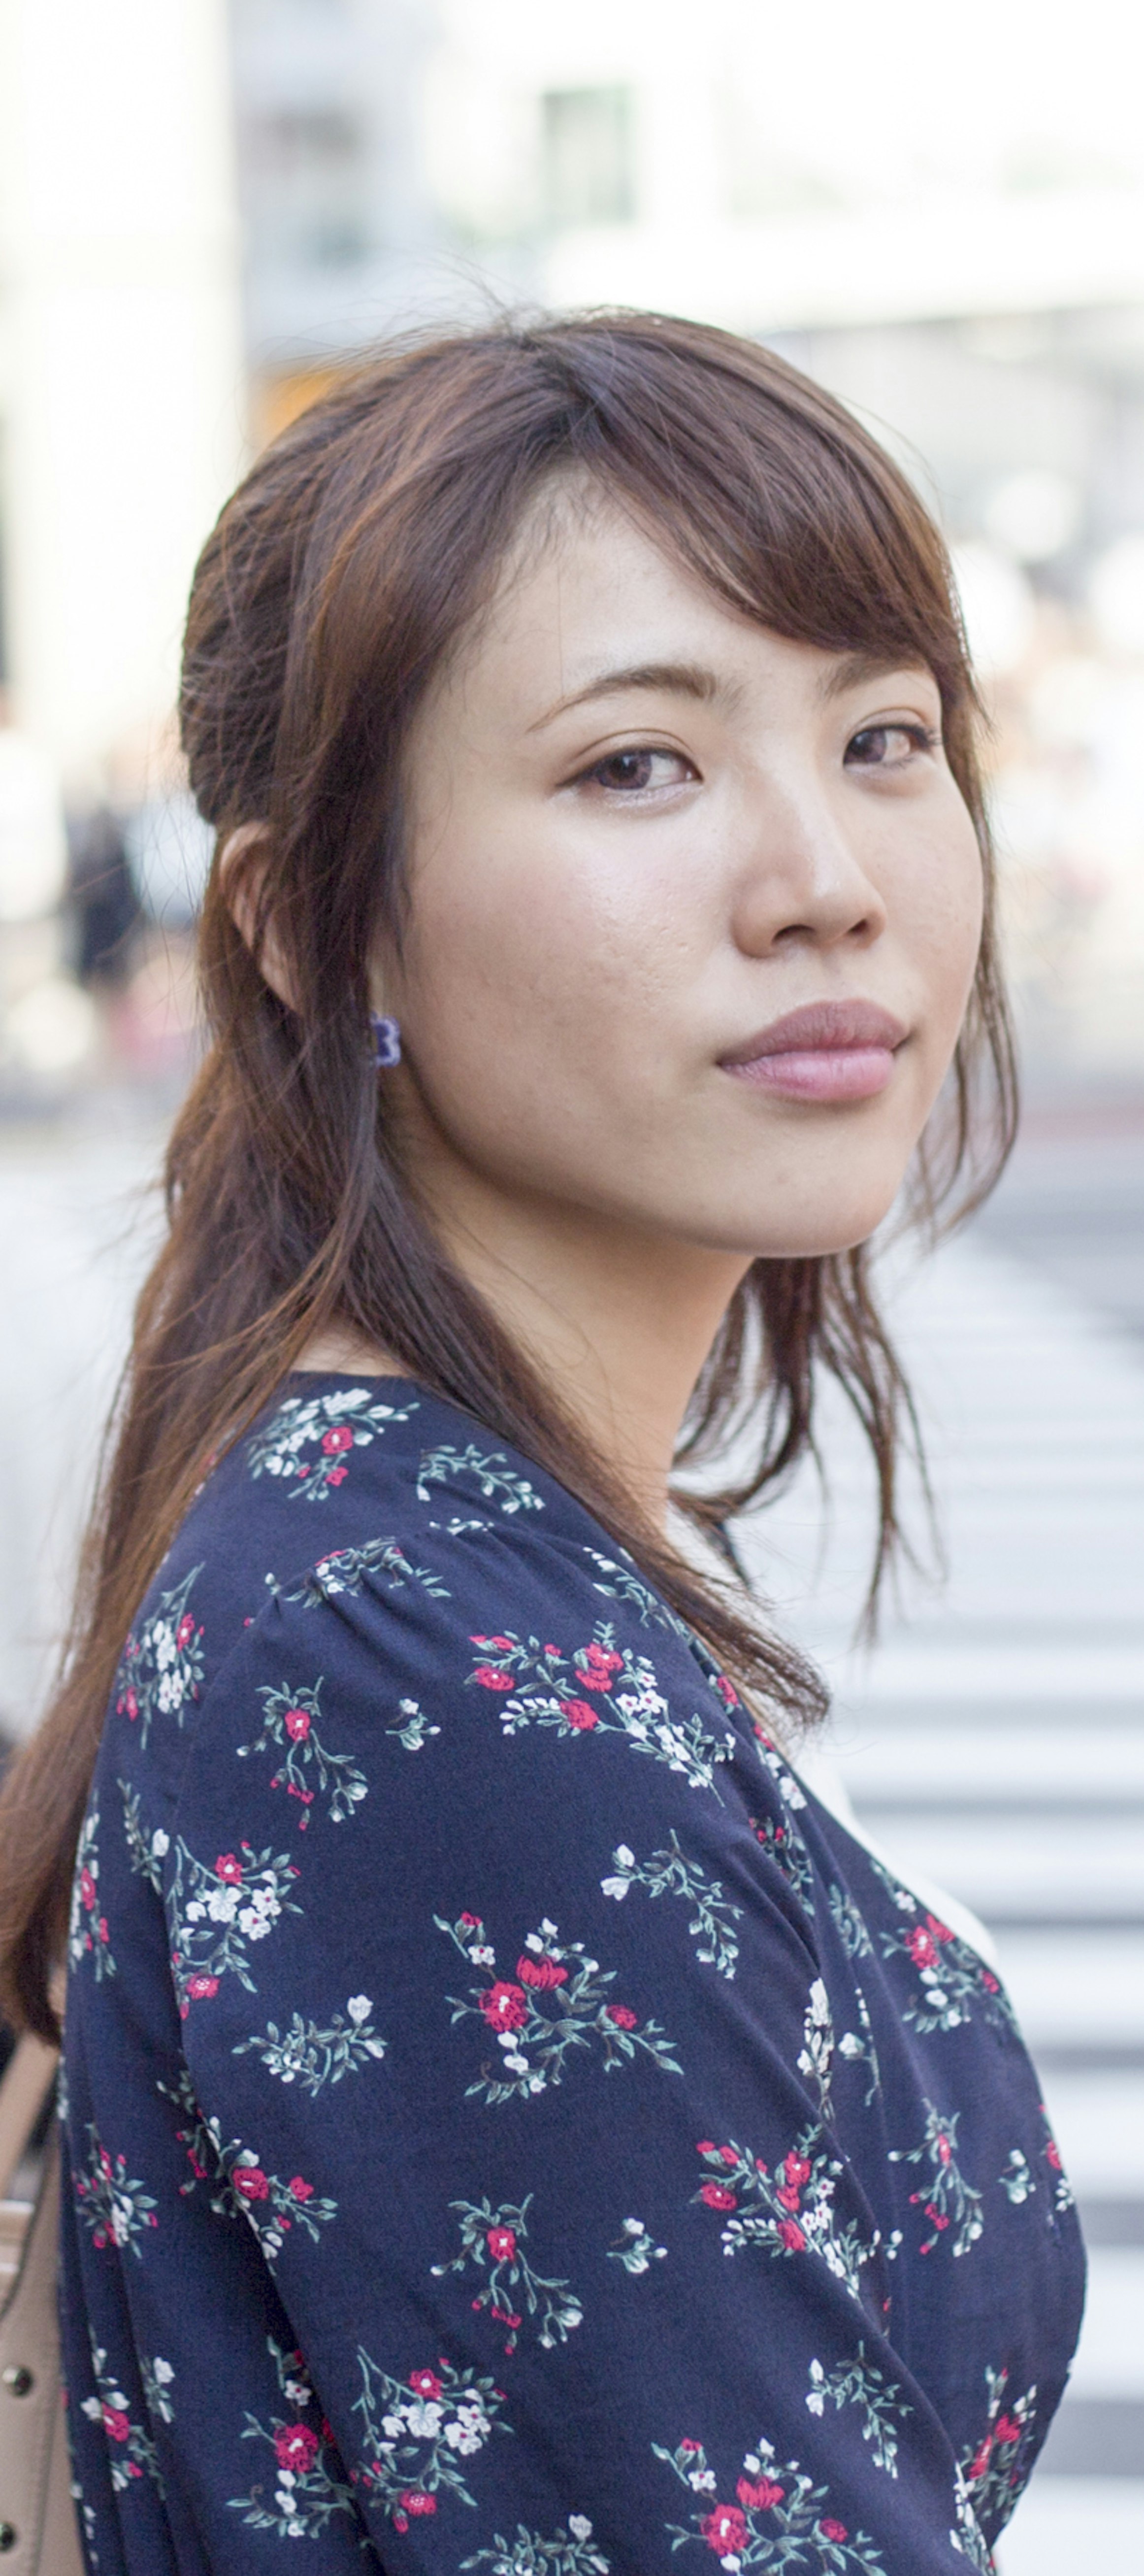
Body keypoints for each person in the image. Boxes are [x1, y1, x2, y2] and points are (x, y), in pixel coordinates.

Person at [0, 316, 1085, 2576]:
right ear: (310, 922)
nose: (825, 876)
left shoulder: (418, 1543)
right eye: (636, 769)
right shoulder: (410, 1664)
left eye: (885, 735)